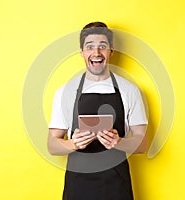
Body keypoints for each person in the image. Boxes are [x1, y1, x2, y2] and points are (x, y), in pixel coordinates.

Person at [48, 22, 148, 200]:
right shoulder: (65, 92)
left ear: (111, 51)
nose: (96, 53)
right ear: (82, 53)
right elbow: (52, 145)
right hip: (77, 186)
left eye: (102, 46)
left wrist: (118, 142)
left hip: (117, 185)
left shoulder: (130, 90)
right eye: (90, 47)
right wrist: (73, 144)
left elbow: (143, 144)